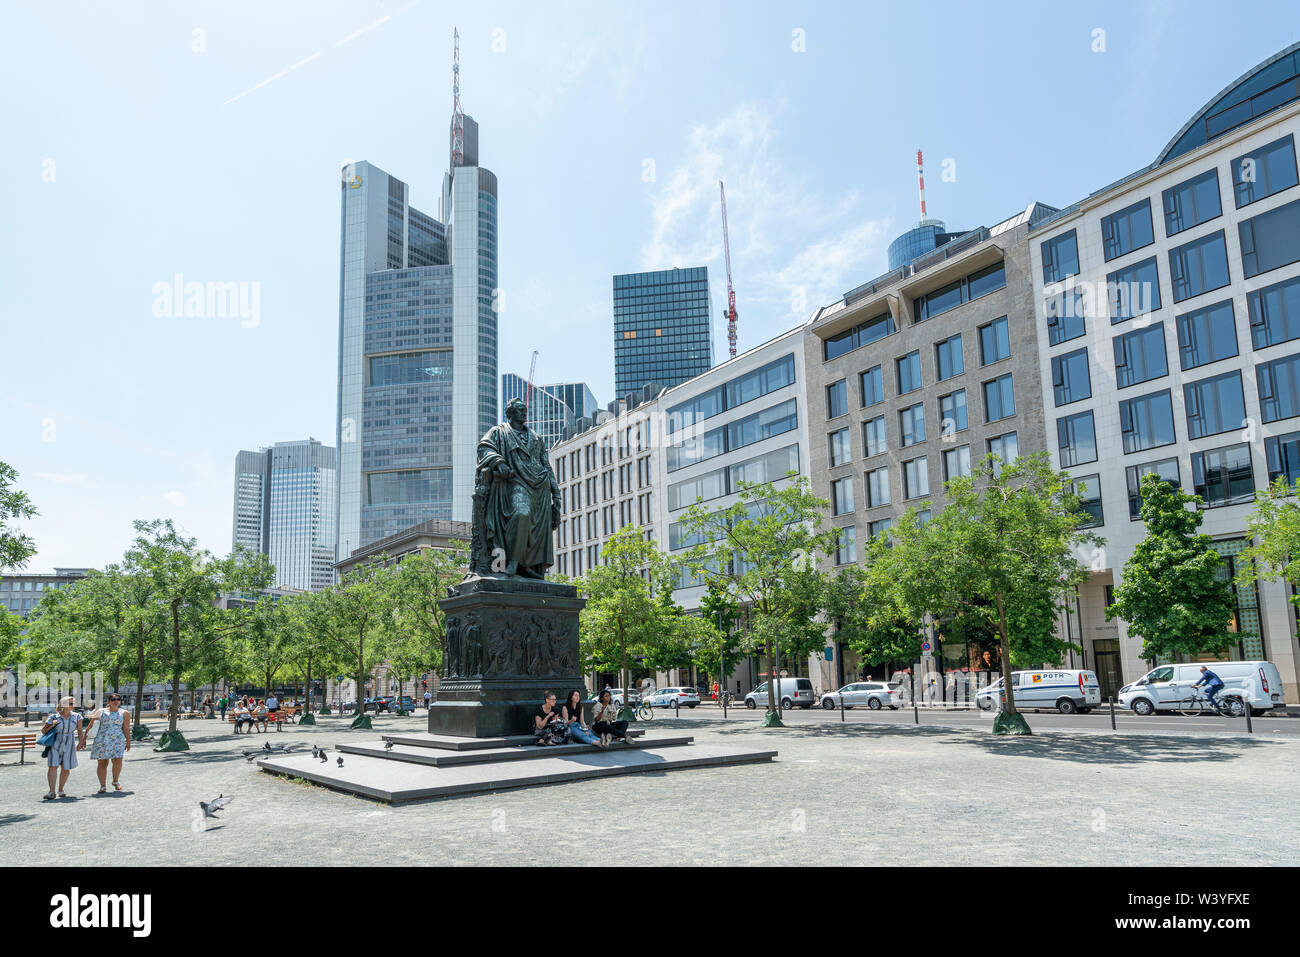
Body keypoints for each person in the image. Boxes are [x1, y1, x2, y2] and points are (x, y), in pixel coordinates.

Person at [80, 693, 131, 793]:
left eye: (118, 699)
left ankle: (115, 781)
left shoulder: (125, 713)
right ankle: (102, 785)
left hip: (117, 739)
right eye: (113, 699)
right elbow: (90, 725)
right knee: (102, 763)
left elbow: (126, 728)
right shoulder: (100, 711)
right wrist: (84, 738)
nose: (116, 701)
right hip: (102, 739)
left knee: (118, 761)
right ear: (108, 701)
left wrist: (128, 741)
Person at [41, 696, 84, 800]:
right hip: (55, 742)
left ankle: (61, 789)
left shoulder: (77, 716)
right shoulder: (53, 717)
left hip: (69, 742)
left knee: (66, 767)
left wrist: (81, 742)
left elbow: (79, 730)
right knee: (53, 766)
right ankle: (51, 792)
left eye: (73, 703)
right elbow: (43, 731)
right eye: (70, 704)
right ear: (63, 705)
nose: (72, 706)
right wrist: (52, 725)